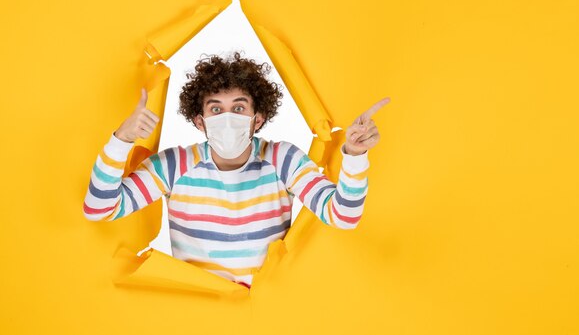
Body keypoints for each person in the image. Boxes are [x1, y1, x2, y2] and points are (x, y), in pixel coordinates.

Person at [83, 52, 389, 288]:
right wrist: (122, 140)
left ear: (257, 119)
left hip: (266, 315)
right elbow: (99, 209)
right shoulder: (174, 165)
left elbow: (343, 216)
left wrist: (355, 154)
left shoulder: (282, 159)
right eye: (215, 109)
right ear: (199, 121)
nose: (227, 118)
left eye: (239, 108)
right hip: (198, 314)